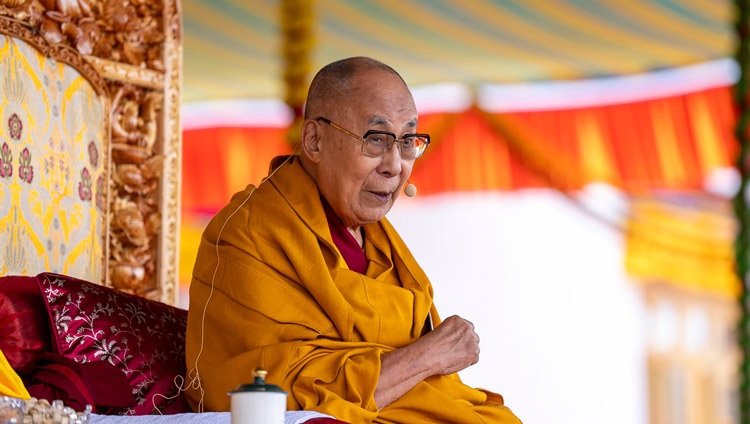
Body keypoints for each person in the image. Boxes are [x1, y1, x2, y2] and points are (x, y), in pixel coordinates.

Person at [185, 57, 521, 423]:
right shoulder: (250, 233)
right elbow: (264, 398)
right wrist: (427, 357)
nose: (394, 164)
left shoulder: (380, 242)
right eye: (376, 139)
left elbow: (430, 390)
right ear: (314, 140)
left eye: (408, 141)